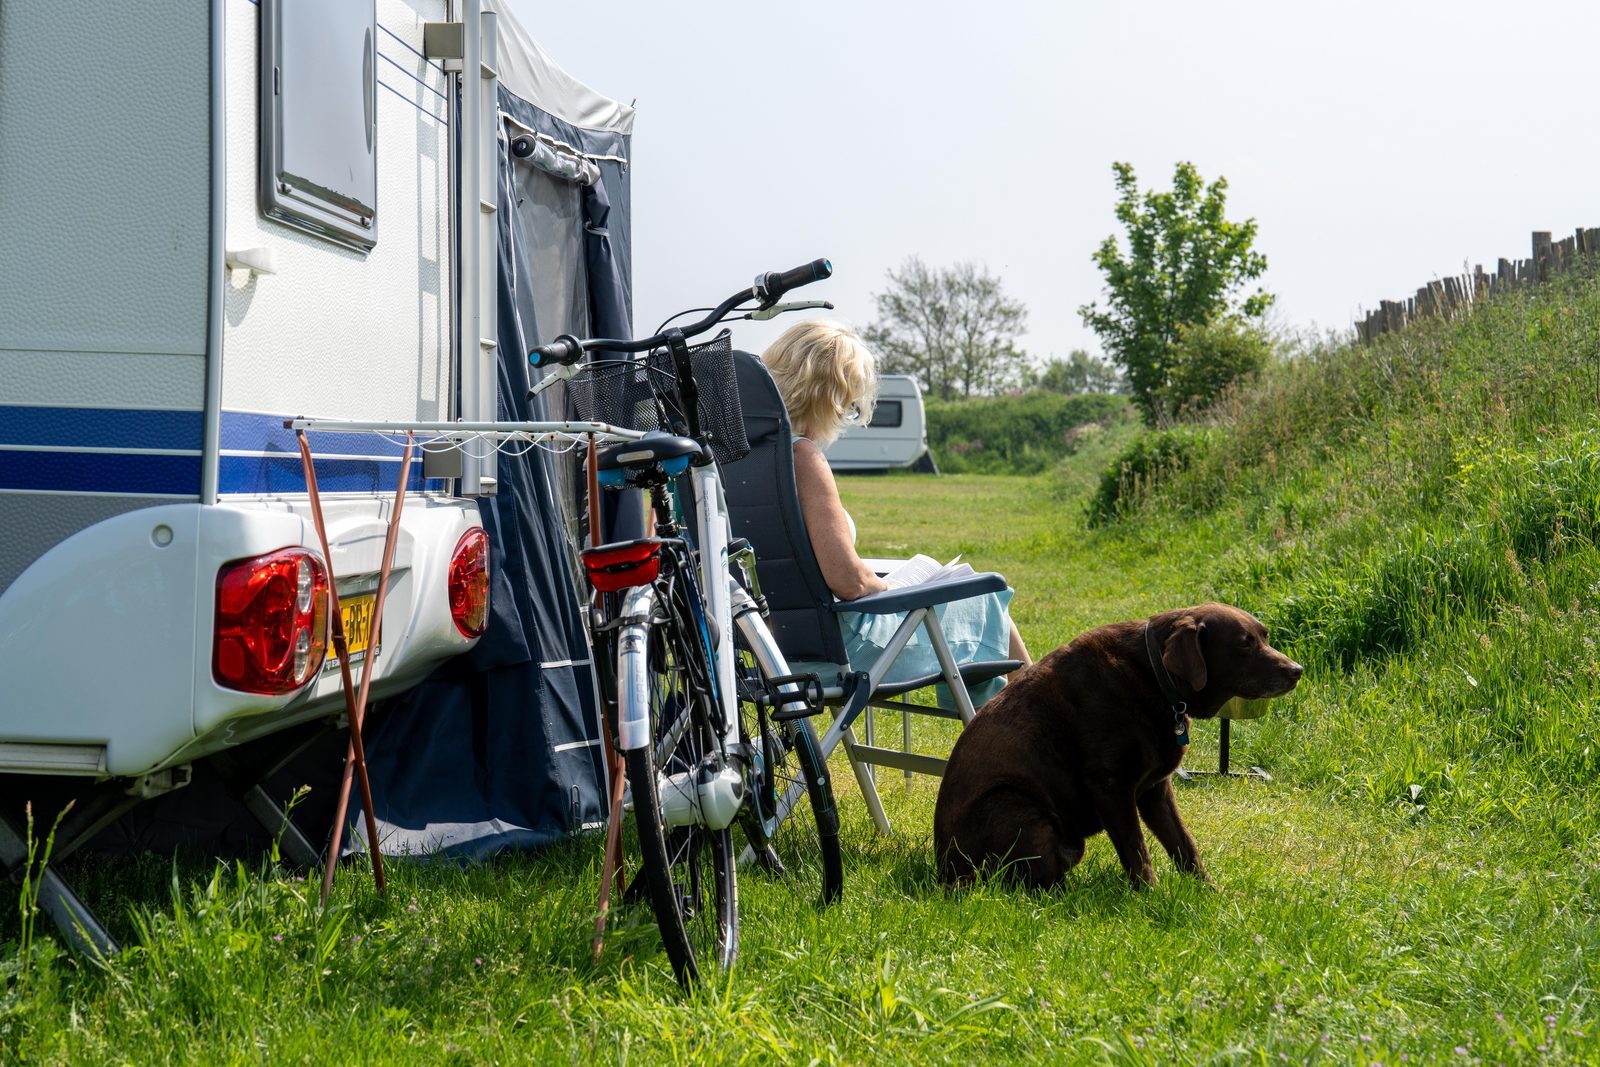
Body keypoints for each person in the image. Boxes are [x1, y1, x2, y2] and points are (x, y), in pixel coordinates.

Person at [760, 320, 1031, 703]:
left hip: (767, 642)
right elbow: (848, 582)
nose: (846, 416)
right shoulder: (801, 456)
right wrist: (888, 588)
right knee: (985, 597)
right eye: (849, 404)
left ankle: (1016, 726)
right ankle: (1034, 724)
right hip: (841, 650)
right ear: (830, 396)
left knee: (968, 598)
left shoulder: (736, 456)